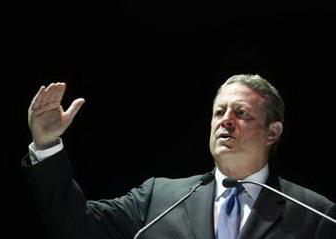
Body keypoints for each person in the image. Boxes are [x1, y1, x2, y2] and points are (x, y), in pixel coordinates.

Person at [23, 74, 335, 239]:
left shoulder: (315, 215)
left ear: (272, 132)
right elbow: (75, 226)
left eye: (241, 113)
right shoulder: (159, 198)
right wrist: (48, 145)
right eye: (219, 112)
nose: (226, 120)